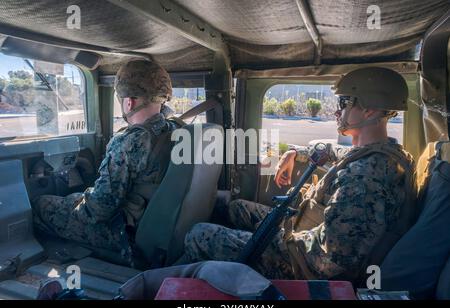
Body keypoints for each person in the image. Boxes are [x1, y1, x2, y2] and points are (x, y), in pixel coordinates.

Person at [182, 67, 417, 282]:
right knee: (236, 207)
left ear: (369, 110)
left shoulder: (364, 179)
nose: (337, 110)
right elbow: (331, 150)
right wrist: (295, 152)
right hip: (305, 232)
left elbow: (329, 260)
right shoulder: (380, 152)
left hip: (303, 265)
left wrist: (280, 240)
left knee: (199, 234)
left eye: (345, 103)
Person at [33, 59, 179, 253]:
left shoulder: (127, 142)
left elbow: (99, 209)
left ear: (129, 102)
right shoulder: (177, 130)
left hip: (126, 235)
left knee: (42, 204)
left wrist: (73, 201)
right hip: (164, 226)